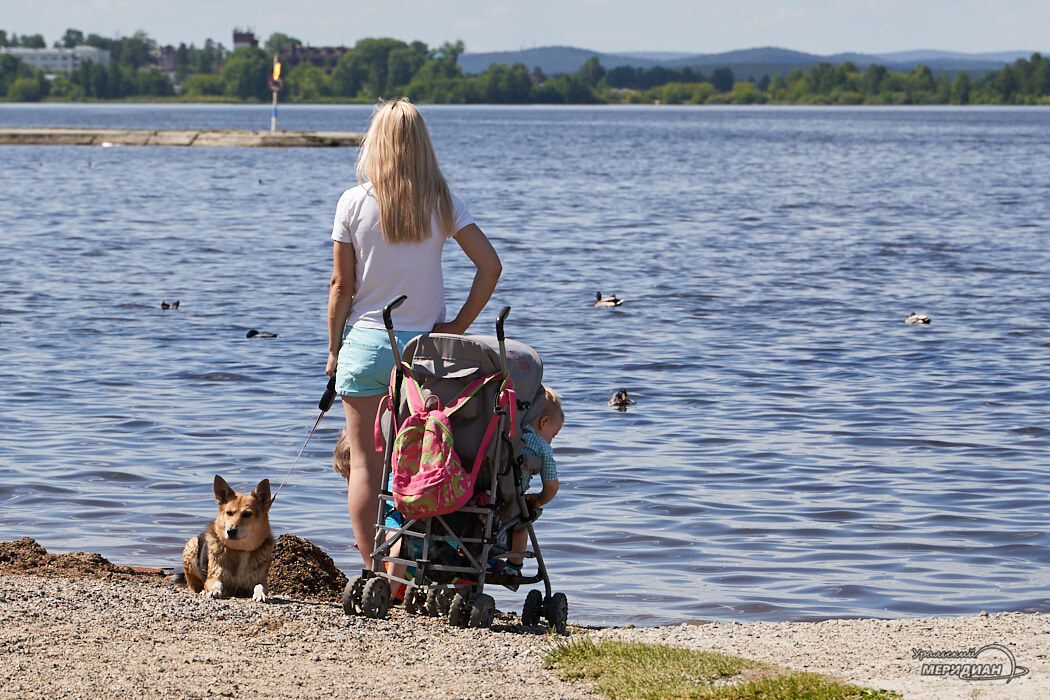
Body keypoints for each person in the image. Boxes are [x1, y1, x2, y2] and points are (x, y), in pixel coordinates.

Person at [326, 98, 502, 569]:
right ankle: (421, 561)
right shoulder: (442, 203)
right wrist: (458, 328)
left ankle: (375, 570)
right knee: (423, 460)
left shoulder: (352, 201)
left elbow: (342, 287)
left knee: (366, 464)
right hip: (427, 358)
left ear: (375, 143)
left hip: (366, 345)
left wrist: (332, 350)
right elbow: (491, 266)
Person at [494, 387, 563, 577]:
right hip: (509, 499)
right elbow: (552, 486)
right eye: (553, 435)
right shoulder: (541, 445)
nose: (551, 440)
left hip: (481, 493)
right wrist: (539, 500)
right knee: (523, 519)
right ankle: (514, 566)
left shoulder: (501, 431)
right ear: (544, 422)